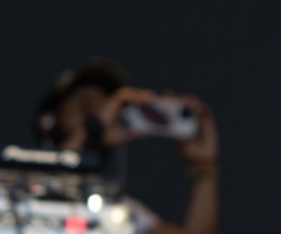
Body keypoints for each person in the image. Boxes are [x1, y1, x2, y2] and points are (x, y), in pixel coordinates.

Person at [30, 58, 219, 234]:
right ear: (49, 121)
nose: (99, 114)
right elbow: (53, 186)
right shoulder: (17, 193)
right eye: (85, 106)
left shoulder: (115, 211)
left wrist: (203, 167)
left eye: (106, 107)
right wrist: (92, 129)